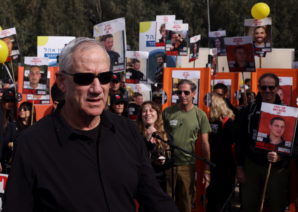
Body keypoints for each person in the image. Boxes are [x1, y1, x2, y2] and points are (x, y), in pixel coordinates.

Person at [3, 37, 178, 212]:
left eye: (104, 77)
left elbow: (156, 200)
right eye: (85, 78)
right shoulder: (32, 144)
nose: (97, 88)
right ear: (62, 82)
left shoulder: (127, 131)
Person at [236, 73, 292, 212]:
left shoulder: (288, 112)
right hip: (252, 165)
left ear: (277, 88)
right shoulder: (249, 110)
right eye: (263, 87)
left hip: (276, 168)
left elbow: (295, 143)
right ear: (259, 88)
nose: (267, 90)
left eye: (271, 87)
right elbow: (239, 140)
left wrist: (281, 156)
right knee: (249, 205)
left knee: (276, 204)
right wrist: (239, 167)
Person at [163, 79, 211, 212]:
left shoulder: (200, 115)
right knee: (166, 203)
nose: (182, 95)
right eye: (179, 92)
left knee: (186, 203)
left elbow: (205, 144)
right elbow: (161, 137)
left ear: (194, 94)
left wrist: (207, 170)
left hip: (187, 165)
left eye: (186, 92)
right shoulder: (167, 112)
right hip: (168, 165)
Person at [206, 94, 236, 212]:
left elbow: (233, 144)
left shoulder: (228, 122)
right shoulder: (210, 120)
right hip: (212, 162)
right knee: (212, 196)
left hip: (226, 165)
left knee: (223, 197)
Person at [137, 101, 171, 191]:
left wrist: (164, 161)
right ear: (140, 115)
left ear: (157, 113)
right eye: (144, 111)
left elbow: (171, 158)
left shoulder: (164, 134)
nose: (148, 113)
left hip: (159, 179)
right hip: (142, 179)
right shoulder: (136, 134)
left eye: (151, 110)